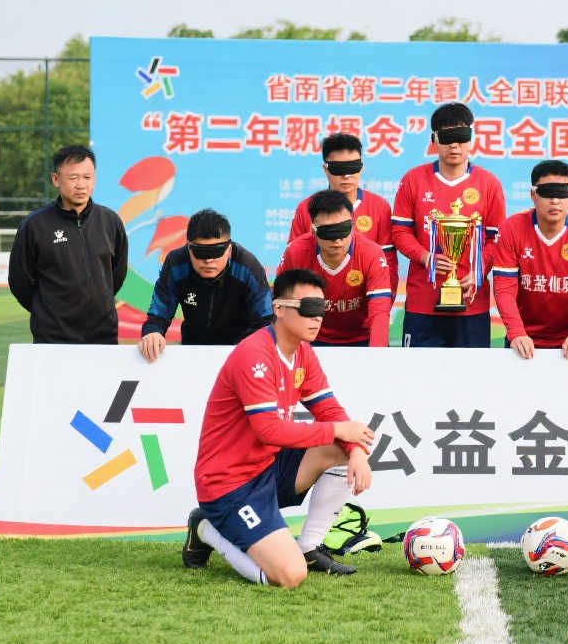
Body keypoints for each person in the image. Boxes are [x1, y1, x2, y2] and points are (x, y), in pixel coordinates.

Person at [181, 269, 375, 587]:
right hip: (229, 485)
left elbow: (329, 410)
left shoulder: (303, 352)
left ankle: (309, 547)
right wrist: (340, 431)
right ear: (279, 308)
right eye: (308, 308)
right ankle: (207, 528)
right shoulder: (254, 355)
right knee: (289, 576)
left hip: (267, 469)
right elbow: (268, 430)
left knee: (344, 448)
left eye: (321, 309)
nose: (317, 318)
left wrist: (355, 449)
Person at [391, 102, 505, 348]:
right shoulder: (413, 180)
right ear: (433, 139)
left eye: (461, 137)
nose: (455, 145)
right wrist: (426, 257)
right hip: (422, 303)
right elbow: (400, 232)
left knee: (472, 372)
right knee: (418, 371)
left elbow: (496, 241)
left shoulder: (489, 184)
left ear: (471, 138)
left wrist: (478, 270)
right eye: (447, 137)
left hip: (472, 303)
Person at [8, 144, 128, 343]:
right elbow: (19, 280)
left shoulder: (110, 221)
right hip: (52, 338)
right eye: (73, 178)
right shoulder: (35, 225)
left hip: (102, 335)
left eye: (87, 177)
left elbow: (117, 274)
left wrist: (100, 301)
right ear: (56, 179)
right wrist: (46, 312)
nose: (81, 185)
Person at [492, 160, 568, 359]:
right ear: (533, 195)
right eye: (547, 192)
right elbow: (504, 288)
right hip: (522, 340)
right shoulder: (511, 229)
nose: (555, 200)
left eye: (562, 193)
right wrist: (516, 332)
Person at [139, 208, 272, 362]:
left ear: (229, 249)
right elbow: (158, 315)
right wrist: (153, 332)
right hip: (193, 351)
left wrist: (240, 354)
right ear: (189, 248)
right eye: (201, 253)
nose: (209, 261)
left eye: (216, 252)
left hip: (239, 353)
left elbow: (265, 321)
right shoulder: (176, 264)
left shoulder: (247, 267)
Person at [288, 133, 398, 298]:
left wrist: (384, 302)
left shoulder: (379, 207)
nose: (346, 176)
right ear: (326, 169)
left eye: (352, 167)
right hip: (318, 303)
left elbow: (388, 263)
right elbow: (293, 262)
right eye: (339, 169)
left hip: (365, 304)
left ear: (361, 167)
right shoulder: (306, 208)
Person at [278, 190, 392, 347]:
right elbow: (282, 303)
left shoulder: (371, 253)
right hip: (312, 339)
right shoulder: (296, 252)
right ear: (313, 231)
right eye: (329, 232)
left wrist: (376, 355)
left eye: (343, 230)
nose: (337, 240)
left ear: (353, 226)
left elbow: (380, 313)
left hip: (362, 337)